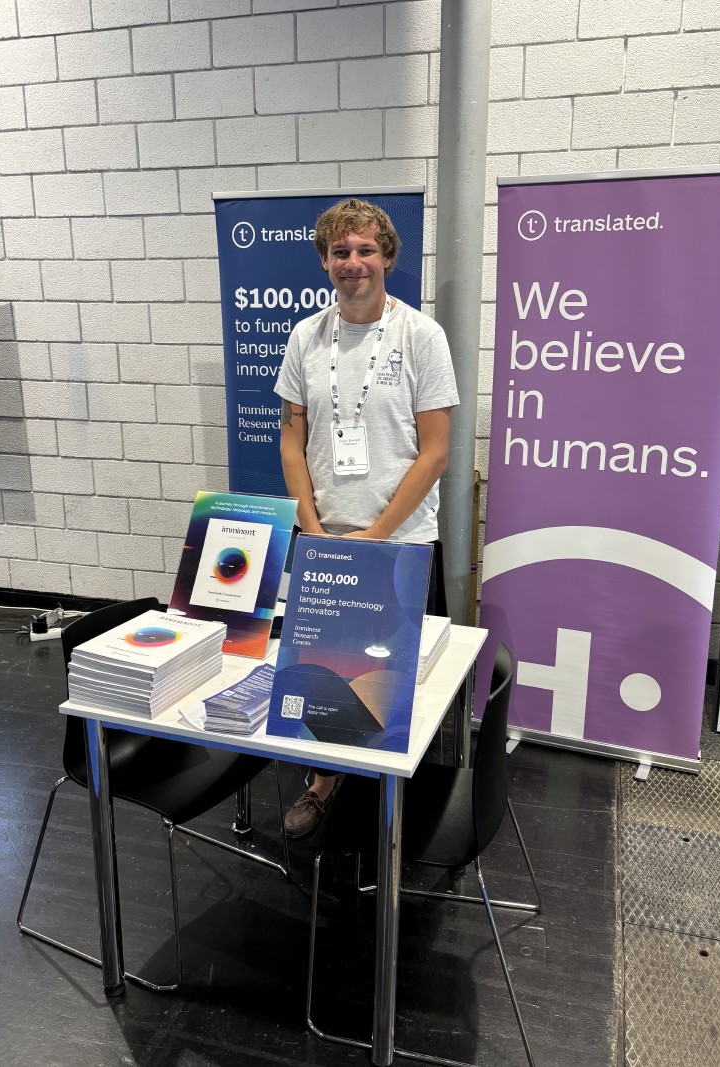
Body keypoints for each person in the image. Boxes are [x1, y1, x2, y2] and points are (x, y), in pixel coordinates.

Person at [274, 198, 459, 837]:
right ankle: (324, 787)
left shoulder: (421, 337)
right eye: (340, 252)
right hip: (324, 538)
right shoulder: (305, 337)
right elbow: (291, 442)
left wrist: (375, 537)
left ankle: (397, 800)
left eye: (365, 250)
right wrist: (312, 525)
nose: (353, 263)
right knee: (325, 674)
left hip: (401, 540)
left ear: (387, 257)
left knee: (398, 682)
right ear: (325, 261)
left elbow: (435, 452)